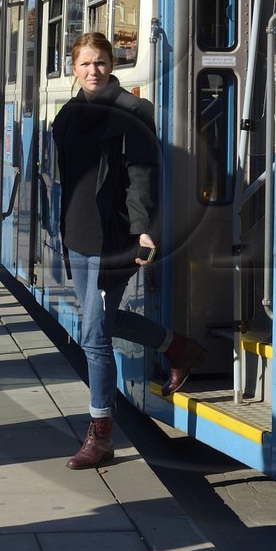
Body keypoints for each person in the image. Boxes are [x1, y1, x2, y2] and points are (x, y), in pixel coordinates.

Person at [51, 32, 205, 470]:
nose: (92, 71)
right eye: (84, 64)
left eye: (100, 62)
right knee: (102, 321)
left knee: (94, 338)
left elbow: (142, 176)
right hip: (77, 235)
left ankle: (100, 436)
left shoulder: (134, 112)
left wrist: (141, 230)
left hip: (113, 238)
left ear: (112, 64)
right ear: (73, 67)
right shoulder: (67, 115)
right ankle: (178, 347)